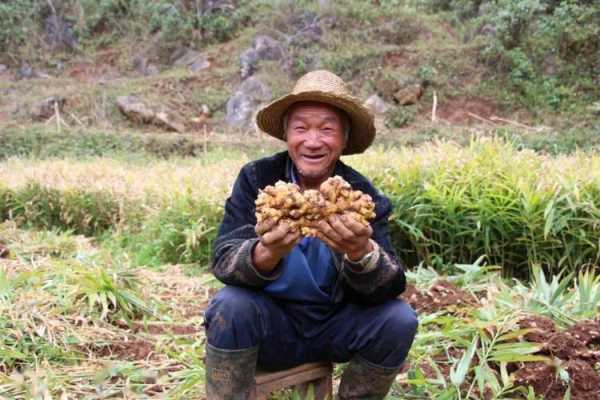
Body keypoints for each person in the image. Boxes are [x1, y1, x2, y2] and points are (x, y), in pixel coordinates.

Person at [203, 70, 418, 399]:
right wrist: (265, 253)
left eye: (327, 129)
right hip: (272, 325)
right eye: (301, 128)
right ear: (286, 134)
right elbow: (223, 258)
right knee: (229, 306)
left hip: (335, 327)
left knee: (399, 319)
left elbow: (391, 284)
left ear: (344, 140)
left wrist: (362, 253)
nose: (313, 141)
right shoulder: (258, 179)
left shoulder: (361, 195)